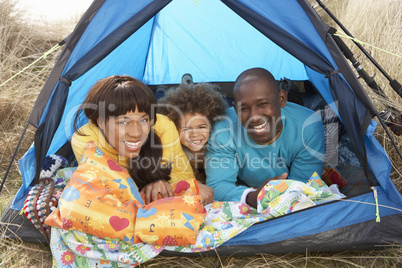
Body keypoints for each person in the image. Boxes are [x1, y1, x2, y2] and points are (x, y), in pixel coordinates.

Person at [205, 68, 325, 208]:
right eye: (244, 108)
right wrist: (251, 197)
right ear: (235, 108)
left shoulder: (308, 127)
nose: (254, 117)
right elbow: (217, 185)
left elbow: (304, 188)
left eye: (262, 104)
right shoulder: (223, 128)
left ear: (281, 99)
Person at [71, 75, 194, 204]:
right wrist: (148, 188)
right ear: (101, 122)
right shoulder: (86, 141)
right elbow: (111, 194)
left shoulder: (163, 126)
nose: (136, 133)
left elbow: (185, 175)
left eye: (143, 120)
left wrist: (163, 183)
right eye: (123, 122)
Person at [158, 82, 228, 205]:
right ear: (175, 129)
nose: (194, 134)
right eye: (186, 129)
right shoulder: (176, 151)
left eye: (201, 127)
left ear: (211, 125)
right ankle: (160, 90)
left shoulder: (217, 146)